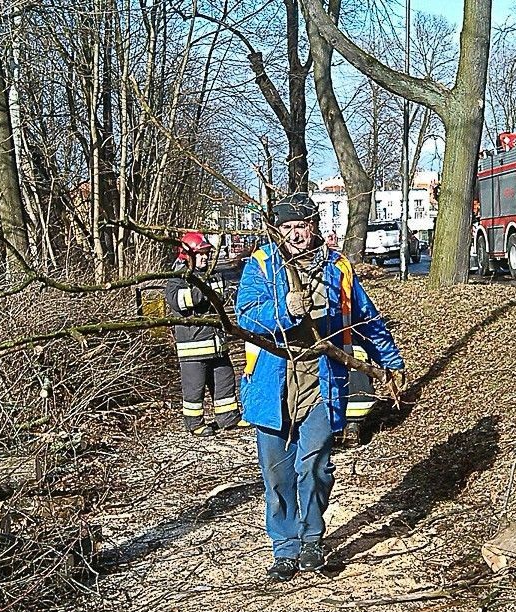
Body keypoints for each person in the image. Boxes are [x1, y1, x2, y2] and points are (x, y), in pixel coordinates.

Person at [236, 192, 406, 582]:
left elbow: (367, 320)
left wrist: (390, 361)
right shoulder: (262, 264)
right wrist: (284, 309)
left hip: (322, 381)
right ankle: (285, 548)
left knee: (313, 465)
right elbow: (246, 315)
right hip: (271, 385)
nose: (295, 234)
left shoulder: (338, 268)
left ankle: (312, 539)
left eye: (302, 226)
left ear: (315, 227)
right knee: (277, 475)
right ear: (277, 230)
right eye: (288, 228)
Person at [164, 231, 242, 436]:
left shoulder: (213, 274)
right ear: (187, 255)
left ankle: (229, 418)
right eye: (201, 254)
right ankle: (194, 423)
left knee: (225, 381)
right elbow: (179, 302)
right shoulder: (177, 278)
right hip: (193, 348)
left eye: (207, 253)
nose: (205, 257)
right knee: (194, 389)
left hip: (217, 344)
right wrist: (204, 290)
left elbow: (221, 299)